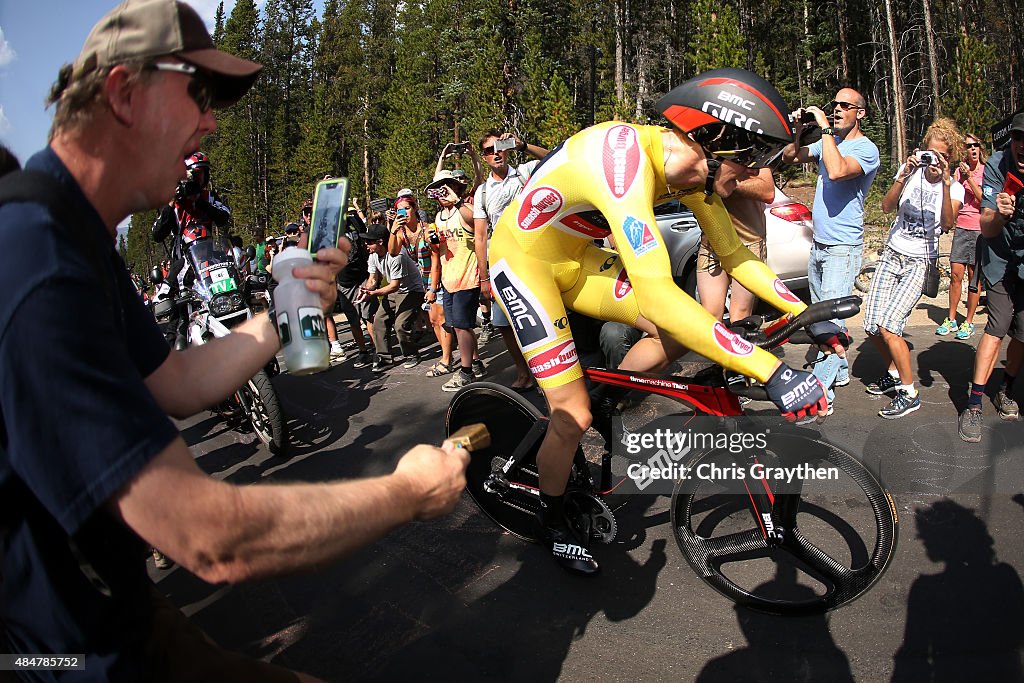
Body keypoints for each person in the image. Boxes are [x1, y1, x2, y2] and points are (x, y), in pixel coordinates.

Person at [0, 1, 468, 679]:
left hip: (111, 614)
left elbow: (177, 383)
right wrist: (405, 493)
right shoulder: (37, 258)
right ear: (122, 93)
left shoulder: (74, 231)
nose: (211, 121)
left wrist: (286, 311)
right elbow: (210, 536)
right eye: (197, 93)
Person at [488, 68, 839, 575]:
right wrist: (773, 371)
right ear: (710, 140)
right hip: (523, 263)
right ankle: (552, 521)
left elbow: (737, 257)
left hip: (574, 260)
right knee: (572, 413)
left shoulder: (693, 174)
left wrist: (803, 312)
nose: (744, 179)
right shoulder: (622, 159)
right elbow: (658, 293)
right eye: (744, 165)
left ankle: (612, 397)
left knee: (675, 334)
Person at [783, 88, 880, 408]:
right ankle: (837, 371)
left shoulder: (866, 149)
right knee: (817, 318)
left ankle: (820, 391)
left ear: (859, 113)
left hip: (842, 248)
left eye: (844, 106)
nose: (837, 109)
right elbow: (791, 157)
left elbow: (838, 172)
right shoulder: (830, 142)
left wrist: (824, 127)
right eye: (834, 104)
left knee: (829, 322)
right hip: (820, 244)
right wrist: (799, 130)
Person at [863, 119, 964, 419]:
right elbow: (885, 206)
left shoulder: (954, 187)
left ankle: (909, 393)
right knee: (871, 325)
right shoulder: (911, 174)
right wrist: (902, 176)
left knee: (890, 325)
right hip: (893, 253)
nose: (934, 162)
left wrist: (945, 183)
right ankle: (894, 370)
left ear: (950, 158)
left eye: (942, 156)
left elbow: (948, 223)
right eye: (930, 154)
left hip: (920, 261)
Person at [958, 114, 1024, 442]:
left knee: (1023, 335)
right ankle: (973, 405)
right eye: (1017, 139)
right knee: (997, 328)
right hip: (999, 258)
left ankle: (1006, 389)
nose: (1022, 146)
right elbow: (985, 224)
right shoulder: (999, 165)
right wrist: (1000, 213)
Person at [473, 130, 549, 390]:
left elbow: (552, 158)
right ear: (484, 157)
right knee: (503, 322)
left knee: (539, 316)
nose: (496, 153)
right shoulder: (482, 193)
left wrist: (524, 145)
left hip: (532, 256)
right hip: (501, 261)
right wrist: (484, 278)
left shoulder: (525, 172)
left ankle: (545, 374)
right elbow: (480, 237)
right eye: (489, 150)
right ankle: (523, 372)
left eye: (500, 147)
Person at [151, 150, 231, 348]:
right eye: (194, 175)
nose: (198, 179)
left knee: (233, 302)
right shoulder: (173, 203)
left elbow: (223, 217)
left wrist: (200, 201)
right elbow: (157, 233)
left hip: (212, 262)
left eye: (202, 174)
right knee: (176, 330)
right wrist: (172, 201)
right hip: (183, 270)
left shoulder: (209, 197)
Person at [426, 170, 487, 390]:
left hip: (467, 278)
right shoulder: (439, 217)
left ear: (455, 188)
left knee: (462, 327)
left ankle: (466, 371)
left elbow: (475, 221)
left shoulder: (465, 209)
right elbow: (440, 249)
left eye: (445, 187)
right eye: (438, 189)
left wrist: (457, 200)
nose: (441, 193)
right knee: (457, 326)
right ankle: (477, 363)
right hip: (449, 279)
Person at [696, 167, 776, 321]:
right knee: (709, 316)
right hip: (712, 242)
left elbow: (767, 191)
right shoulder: (700, 149)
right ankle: (719, 346)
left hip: (747, 243)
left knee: (740, 315)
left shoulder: (751, 150)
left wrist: (724, 182)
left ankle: (744, 344)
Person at [937, 132, 987, 339]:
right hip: (961, 228)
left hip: (979, 229)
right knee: (956, 274)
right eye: (968, 146)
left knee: (974, 278)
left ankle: (968, 321)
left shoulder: (986, 171)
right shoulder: (959, 170)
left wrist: (969, 179)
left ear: (980, 149)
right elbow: (954, 196)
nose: (972, 149)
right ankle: (951, 318)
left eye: (975, 145)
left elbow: (983, 199)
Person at [359, 222, 426, 370]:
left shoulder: (397, 255)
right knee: (379, 321)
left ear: (380, 242)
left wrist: (374, 293)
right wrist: (366, 289)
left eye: (369, 241)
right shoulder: (373, 256)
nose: (366, 244)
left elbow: (395, 285)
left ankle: (411, 354)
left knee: (400, 325)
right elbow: (373, 279)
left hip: (412, 291)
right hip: (394, 291)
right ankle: (384, 357)